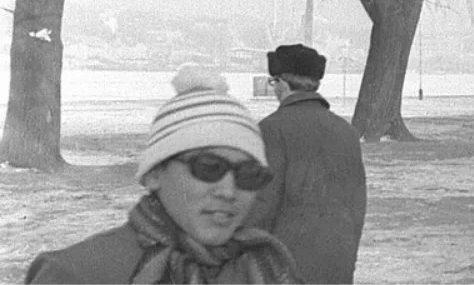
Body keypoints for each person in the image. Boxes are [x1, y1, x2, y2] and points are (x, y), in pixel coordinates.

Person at [24, 66, 301, 284]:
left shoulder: (267, 266)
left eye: (249, 174)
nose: (228, 191)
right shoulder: (76, 274)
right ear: (155, 173)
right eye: (208, 168)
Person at [244, 44, 367, 284]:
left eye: (274, 82)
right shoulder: (345, 131)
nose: (274, 89)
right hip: (338, 258)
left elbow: (262, 202)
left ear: (283, 83)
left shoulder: (271, 129)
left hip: (285, 263)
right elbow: (357, 203)